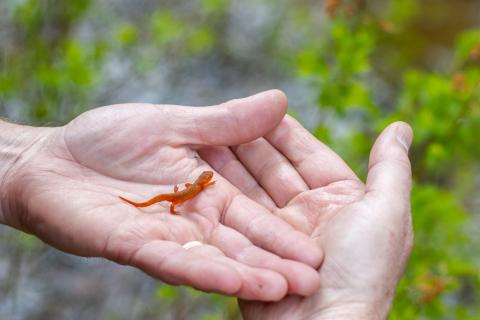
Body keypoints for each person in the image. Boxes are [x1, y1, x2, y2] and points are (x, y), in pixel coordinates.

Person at [0, 90, 413, 319]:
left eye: (205, 181)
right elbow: (185, 194)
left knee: (162, 199)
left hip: (177, 197)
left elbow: (196, 189)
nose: (208, 181)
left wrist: (24, 160)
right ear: (198, 182)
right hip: (172, 198)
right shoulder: (189, 192)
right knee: (158, 199)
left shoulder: (197, 188)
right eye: (205, 179)